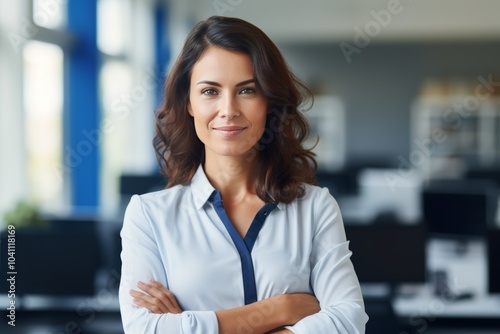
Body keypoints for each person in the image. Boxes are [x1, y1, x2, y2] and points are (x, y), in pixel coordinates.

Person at [119, 15, 368, 333]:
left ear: (270, 102)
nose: (229, 109)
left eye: (247, 90)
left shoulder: (316, 207)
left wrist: (189, 324)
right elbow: (144, 329)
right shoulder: (149, 215)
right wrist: (281, 309)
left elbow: (348, 321)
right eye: (210, 91)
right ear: (189, 102)